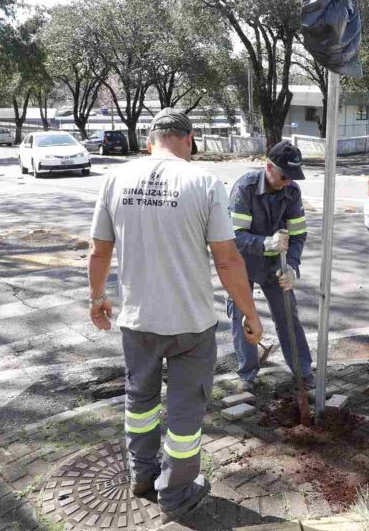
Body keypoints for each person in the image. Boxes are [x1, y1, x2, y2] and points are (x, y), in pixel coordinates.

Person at [87, 108, 264, 523]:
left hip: (137, 320)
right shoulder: (203, 182)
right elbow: (227, 260)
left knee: (141, 402)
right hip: (191, 325)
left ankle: (142, 476)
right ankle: (177, 493)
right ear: (188, 139)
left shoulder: (116, 179)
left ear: (151, 140)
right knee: (185, 411)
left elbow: (98, 249)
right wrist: (249, 312)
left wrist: (97, 297)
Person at [227, 139, 314, 392]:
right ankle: (247, 374)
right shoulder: (246, 188)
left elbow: (298, 235)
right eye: (285, 175)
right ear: (269, 167)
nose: (288, 181)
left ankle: (303, 371)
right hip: (241, 262)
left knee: (289, 314)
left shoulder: (292, 191)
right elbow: (235, 236)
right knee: (242, 316)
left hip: (277, 263)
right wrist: (266, 243)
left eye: (293, 176)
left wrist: (292, 267)